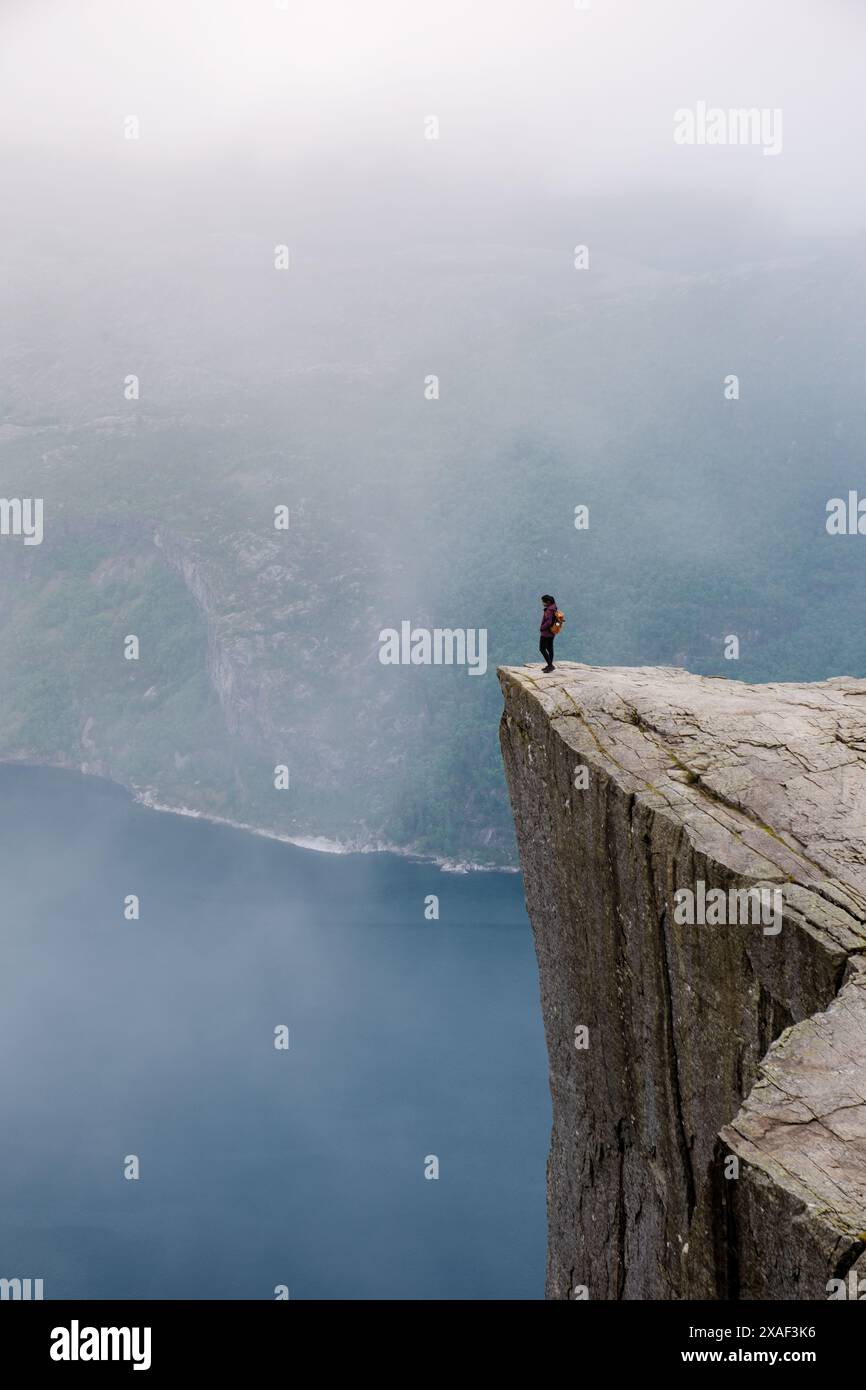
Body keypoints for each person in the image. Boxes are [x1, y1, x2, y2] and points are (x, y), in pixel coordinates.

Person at [539, 594, 557, 672]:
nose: (543, 603)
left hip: (546, 633)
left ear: (548, 602)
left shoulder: (549, 610)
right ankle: (550, 665)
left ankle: (550, 665)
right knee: (550, 648)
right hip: (552, 631)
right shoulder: (554, 607)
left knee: (542, 648)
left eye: (544, 602)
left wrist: (542, 627)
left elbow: (549, 622)